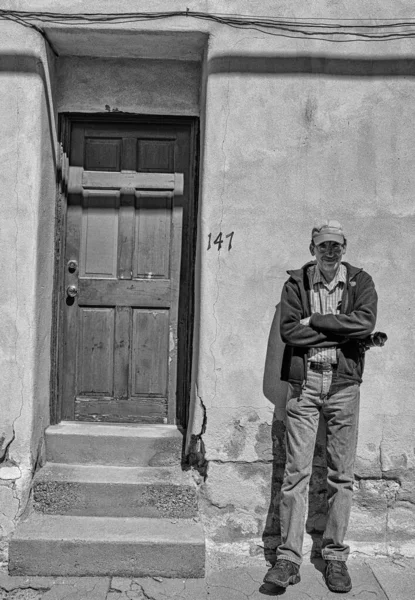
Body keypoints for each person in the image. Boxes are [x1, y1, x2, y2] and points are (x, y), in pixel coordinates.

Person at [264, 219, 380, 593]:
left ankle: (334, 557)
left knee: (341, 475)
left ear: (344, 248)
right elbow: (289, 331)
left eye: (336, 246)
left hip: (344, 385)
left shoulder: (361, 282)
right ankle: (288, 558)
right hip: (306, 381)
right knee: (295, 473)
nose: (329, 252)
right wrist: (341, 328)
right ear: (312, 248)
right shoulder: (296, 283)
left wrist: (315, 320)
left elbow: (365, 323)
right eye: (323, 246)